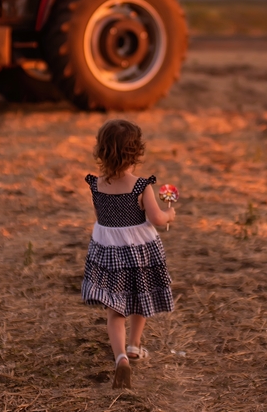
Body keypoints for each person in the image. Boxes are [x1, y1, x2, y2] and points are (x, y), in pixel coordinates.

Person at [81, 119, 176, 389]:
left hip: (108, 252)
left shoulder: (96, 185)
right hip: (139, 251)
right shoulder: (140, 186)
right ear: (136, 153)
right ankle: (134, 345)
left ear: (102, 152)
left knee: (115, 309)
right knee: (140, 298)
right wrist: (170, 213)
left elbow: (101, 217)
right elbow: (157, 218)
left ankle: (120, 357)